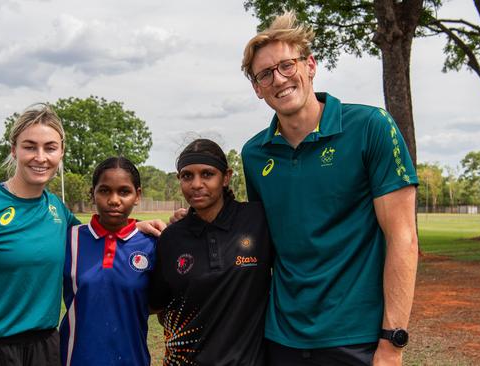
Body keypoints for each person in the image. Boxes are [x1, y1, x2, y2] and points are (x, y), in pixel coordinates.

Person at [239, 11, 419, 366]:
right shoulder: (254, 154)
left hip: (358, 338)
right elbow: (260, 238)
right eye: (265, 74)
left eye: (287, 65)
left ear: (310, 65)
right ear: (258, 89)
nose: (279, 79)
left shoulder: (371, 127)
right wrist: (191, 223)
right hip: (281, 337)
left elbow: (404, 238)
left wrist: (392, 342)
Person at [0, 104, 165, 366]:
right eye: (30, 146)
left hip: (44, 349)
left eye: (50, 148)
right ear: (13, 149)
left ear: (61, 152)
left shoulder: (58, 212)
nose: (40, 157)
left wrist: (137, 226)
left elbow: (100, 233)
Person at [150, 139, 272, 366]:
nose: (196, 184)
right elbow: (157, 304)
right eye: (187, 176)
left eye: (207, 174)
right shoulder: (171, 238)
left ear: (226, 177)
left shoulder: (258, 220)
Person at [59, 157, 156, 366]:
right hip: (76, 359)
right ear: (92, 193)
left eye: (124, 191)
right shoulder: (70, 239)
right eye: (104, 191)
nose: (114, 200)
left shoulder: (151, 244)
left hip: (132, 359)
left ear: (137, 195)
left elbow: (159, 304)